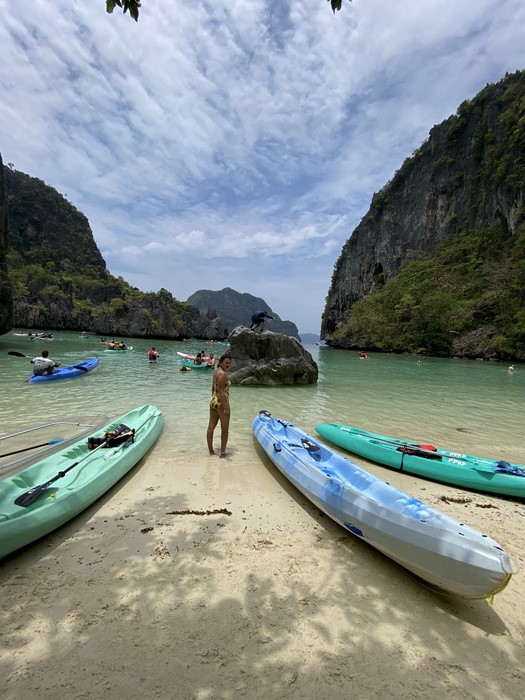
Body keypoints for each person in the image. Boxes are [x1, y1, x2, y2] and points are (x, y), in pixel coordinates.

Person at [207, 353, 232, 458]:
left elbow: (215, 389)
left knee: (211, 426)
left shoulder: (216, 372)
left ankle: (211, 451)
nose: (228, 365)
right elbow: (221, 391)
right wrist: (226, 406)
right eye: (226, 362)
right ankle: (222, 453)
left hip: (213, 401)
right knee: (225, 429)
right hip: (221, 403)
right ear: (221, 362)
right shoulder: (222, 374)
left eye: (229, 363)